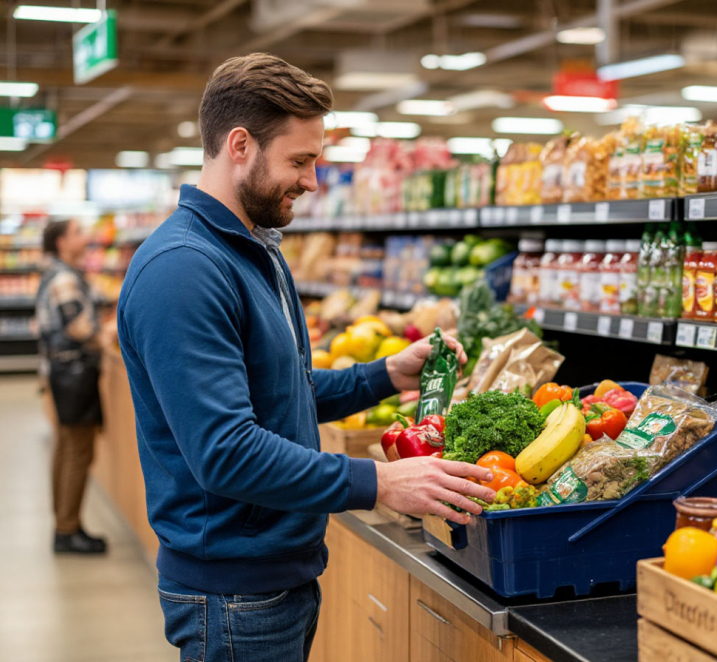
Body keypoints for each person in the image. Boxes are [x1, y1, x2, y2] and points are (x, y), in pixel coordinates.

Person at [117, 53, 494, 662]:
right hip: (232, 597)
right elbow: (226, 452)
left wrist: (383, 375)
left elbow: (280, 392)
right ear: (240, 145)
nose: (313, 181)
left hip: (273, 578)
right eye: (299, 161)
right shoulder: (183, 270)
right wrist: (379, 481)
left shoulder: (254, 249)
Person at [36, 219, 107, 554]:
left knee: (66, 448)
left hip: (62, 372)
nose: (87, 236)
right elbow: (79, 327)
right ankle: (68, 530)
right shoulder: (64, 278)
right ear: (62, 242)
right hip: (74, 373)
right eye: (78, 231)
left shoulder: (58, 273)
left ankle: (64, 525)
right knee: (78, 451)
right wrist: (107, 335)